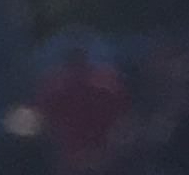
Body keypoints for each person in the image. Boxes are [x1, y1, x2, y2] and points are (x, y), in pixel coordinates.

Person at [33, 45, 131, 175]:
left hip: (92, 152)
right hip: (75, 153)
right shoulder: (55, 88)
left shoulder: (104, 87)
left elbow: (121, 116)